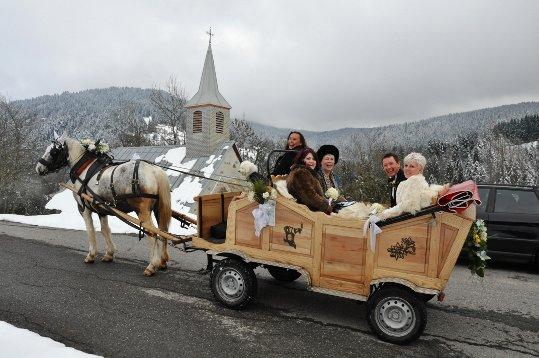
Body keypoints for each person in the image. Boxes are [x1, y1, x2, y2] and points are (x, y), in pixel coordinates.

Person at [378, 152, 446, 220]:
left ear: (420, 169)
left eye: (412, 166)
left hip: (411, 222)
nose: (407, 169)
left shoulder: (415, 181)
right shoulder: (410, 181)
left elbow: (407, 206)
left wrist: (383, 214)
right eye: (406, 165)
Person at [286, 148, 332, 214]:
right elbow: (310, 197)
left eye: (314, 159)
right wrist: (327, 206)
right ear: (302, 160)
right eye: (308, 158)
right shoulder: (300, 173)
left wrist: (330, 201)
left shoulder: (310, 173)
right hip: (307, 213)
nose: (312, 161)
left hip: (315, 210)